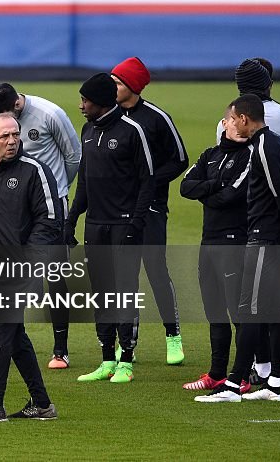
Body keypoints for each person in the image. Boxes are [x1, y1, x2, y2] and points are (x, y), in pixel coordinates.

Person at [195, 94, 280, 403]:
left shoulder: (264, 147)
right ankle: (273, 385)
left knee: (249, 311)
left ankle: (232, 386)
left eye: (231, 118)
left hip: (266, 240)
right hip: (275, 239)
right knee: (273, 312)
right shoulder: (271, 144)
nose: (227, 123)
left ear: (244, 119)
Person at [0, 82, 81, 369]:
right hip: (12, 208)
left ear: (16, 108)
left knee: (55, 277)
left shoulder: (49, 114)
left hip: (48, 209)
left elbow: (73, 155)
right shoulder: (0, 120)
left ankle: (61, 350)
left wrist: (58, 191)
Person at [0, 113, 61, 421]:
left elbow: (49, 220)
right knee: (14, 335)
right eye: (4, 136)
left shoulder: (34, 171)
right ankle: (42, 404)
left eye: (15, 134)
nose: (12, 140)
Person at [66, 73, 155, 384]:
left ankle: (126, 361)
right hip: (97, 226)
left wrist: (136, 222)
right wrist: (73, 216)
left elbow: (148, 182)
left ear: (101, 102)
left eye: (85, 100)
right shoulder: (88, 130)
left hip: (124, 225)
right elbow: (86, 181)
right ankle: (106, 358)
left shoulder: (132, 131)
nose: (81, 105)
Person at [110, 57, 189, 365]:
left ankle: (173, 337)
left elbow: (180, 159)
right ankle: (126, 343)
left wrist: (149, 181)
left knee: (156, 271)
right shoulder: (108, 117)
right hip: (118, 210)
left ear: (132, 86)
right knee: (124, 278)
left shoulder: (156, 118)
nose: (112, 87)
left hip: (152, 207)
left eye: (117, 83)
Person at [179, 107, 253, 392]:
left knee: (237, 311)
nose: (235, 125)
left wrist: (208, 191)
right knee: (214, 310)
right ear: (223, 123)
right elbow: (186, 186)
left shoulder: (249, 156)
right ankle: (217, 372)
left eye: (238, 120)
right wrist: (213, 185)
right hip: (208, 240)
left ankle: (242, 375)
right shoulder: (209, 154)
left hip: (234, 240)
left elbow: (231, 195)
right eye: (231, 119)